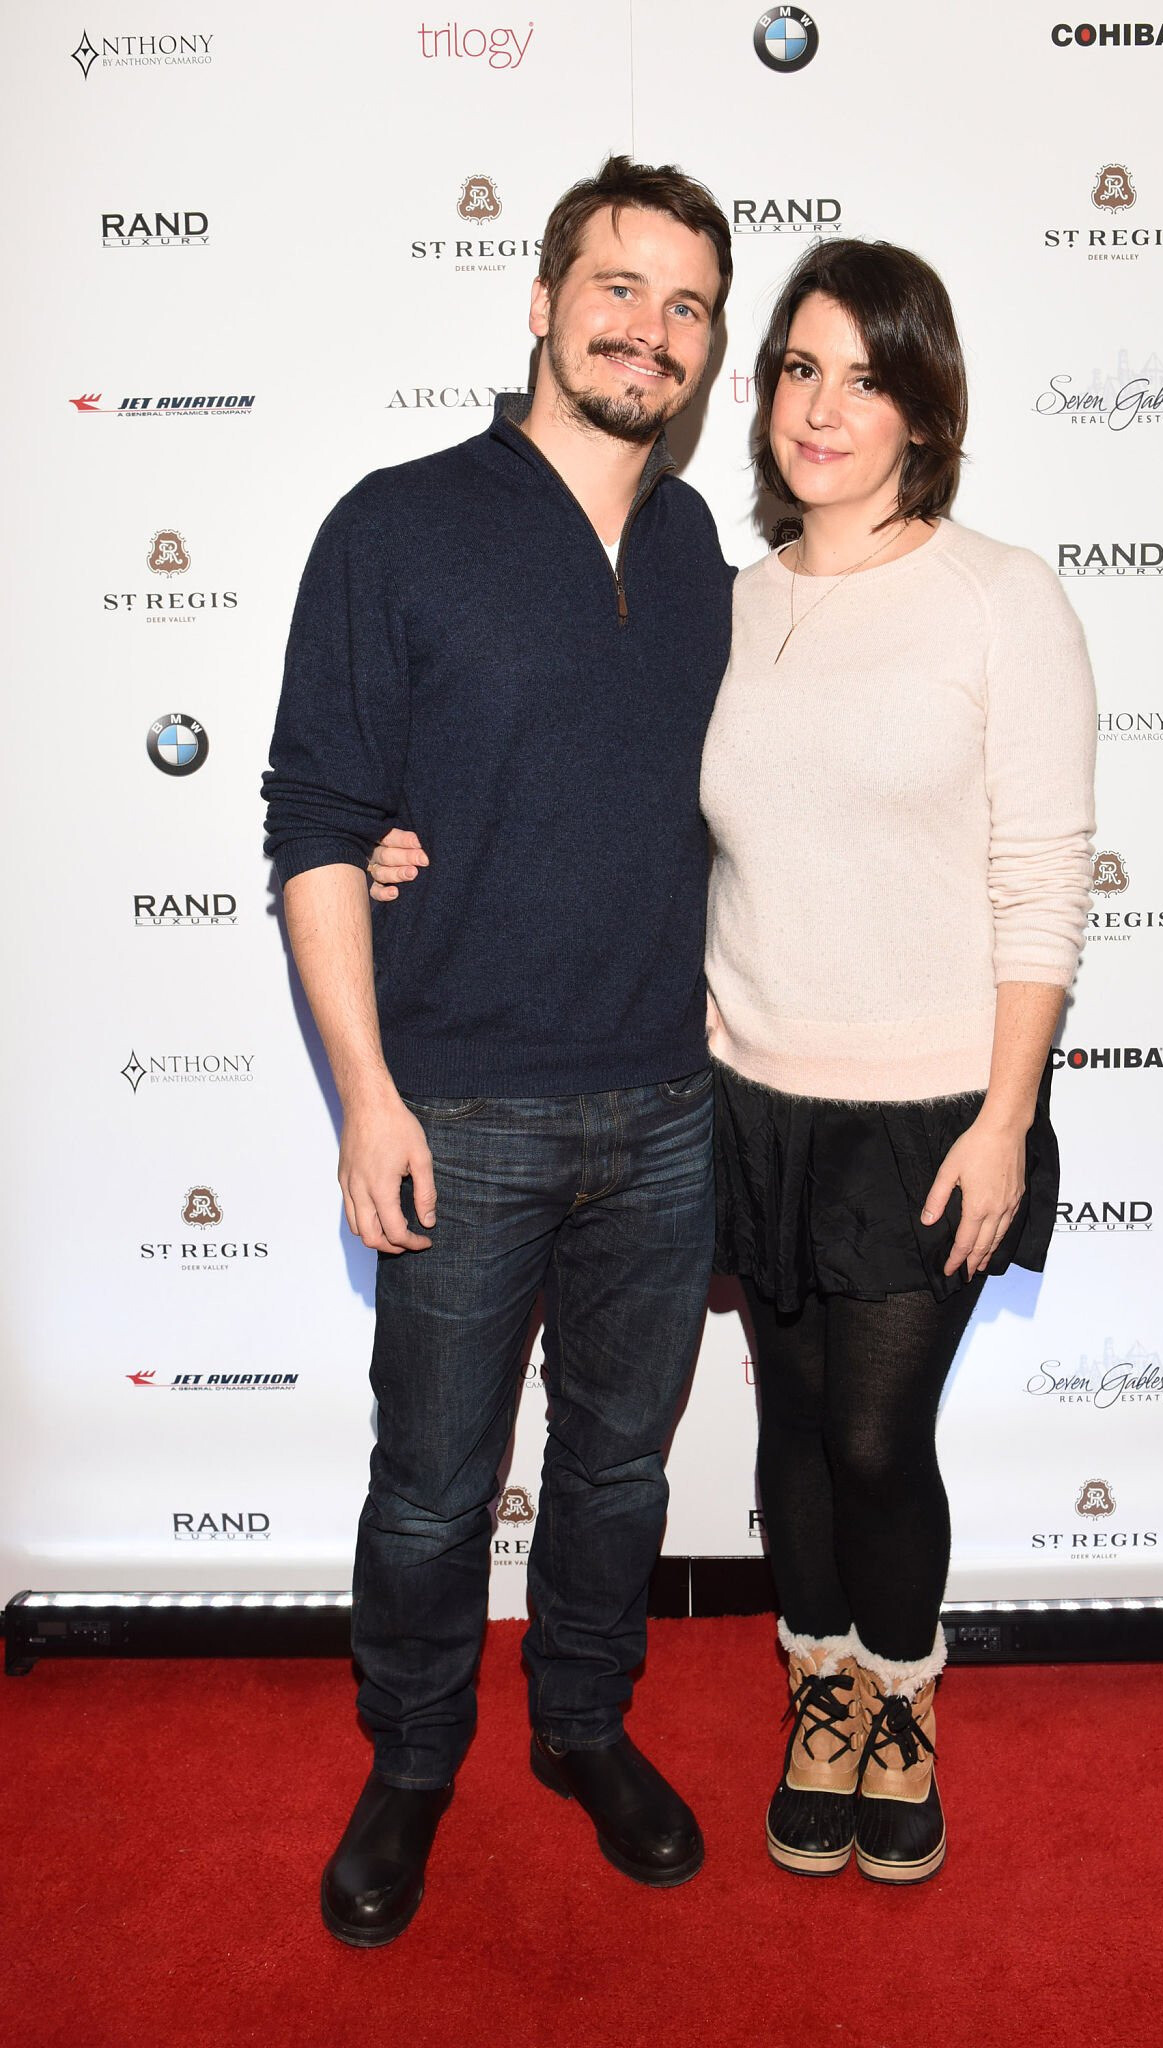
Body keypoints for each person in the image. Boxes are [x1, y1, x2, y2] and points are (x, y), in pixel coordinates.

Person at [370, 237, 1096, 1890]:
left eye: (866, 377)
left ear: (925, 409)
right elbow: (593, 770)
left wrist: (1006, 1115)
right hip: (745, 1097)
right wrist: (402, 839)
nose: (823, 409)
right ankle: (817, 1696)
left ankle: (899, 1704)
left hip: (930, 1111)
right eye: (798, 370)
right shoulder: (724, 593)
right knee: (789, 1434)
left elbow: (1041, 873)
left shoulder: (999, 596)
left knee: (873, 1441)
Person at [262, 156, 735, 1948]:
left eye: (687, 306)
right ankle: (410, 1760)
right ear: (540, 303)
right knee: (432, 1488)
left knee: (618, 1474)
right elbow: (319, 825)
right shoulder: (393, 526)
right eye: (617, 287)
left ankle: (584, 1726)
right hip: (455, 1105)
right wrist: (365, 1097)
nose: (648, 330)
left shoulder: (694, 552)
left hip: (667, 1110)